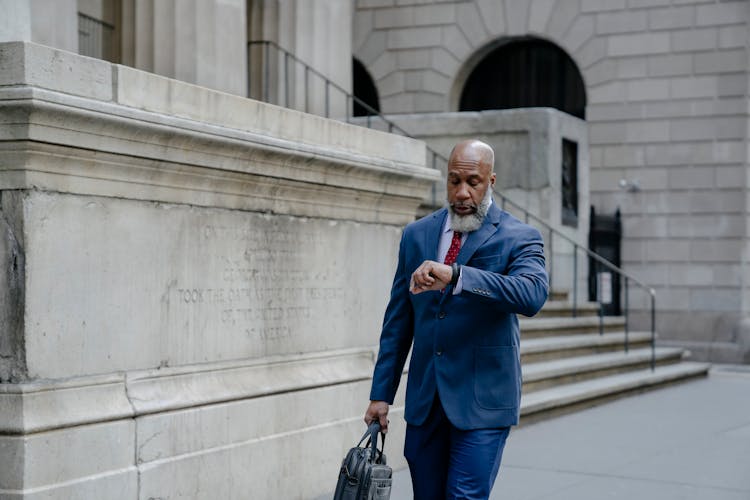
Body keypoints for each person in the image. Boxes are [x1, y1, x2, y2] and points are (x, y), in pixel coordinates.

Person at [364, 139, 549, 499]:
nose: (462, 192)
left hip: (483, 405)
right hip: (425, 404)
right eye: (454, 181)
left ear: (491, 181)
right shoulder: (416, 236)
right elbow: (398, 324)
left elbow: (531, 295)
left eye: (473, 182)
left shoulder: (520, 237)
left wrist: (456, 275)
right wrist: (380, 395)